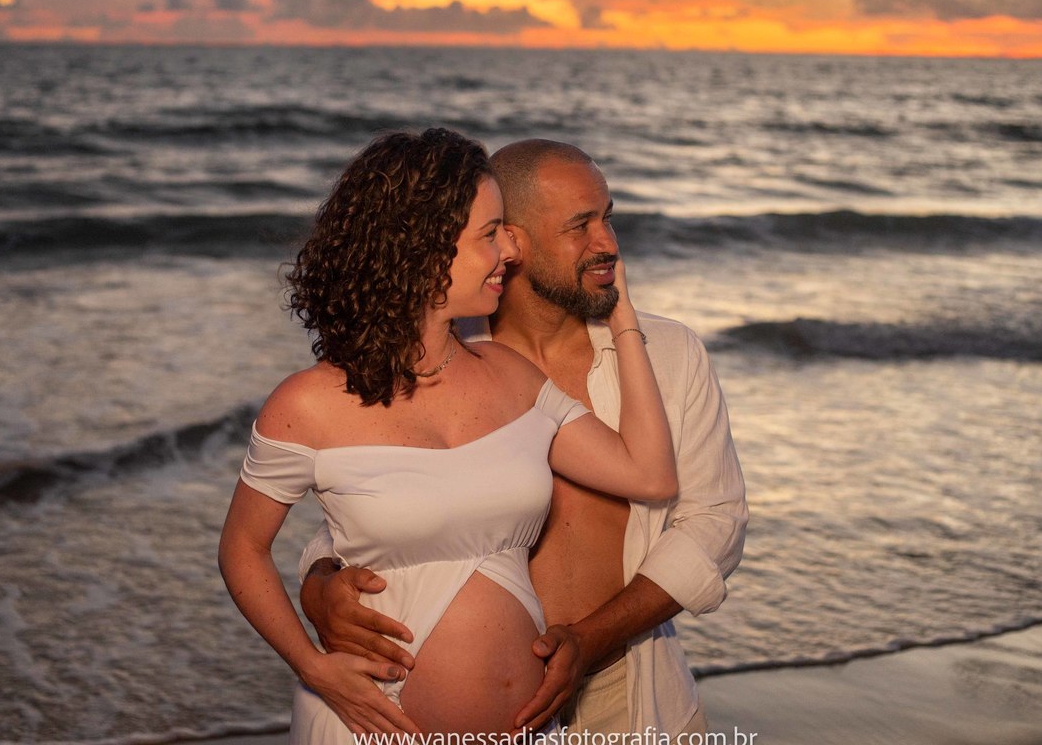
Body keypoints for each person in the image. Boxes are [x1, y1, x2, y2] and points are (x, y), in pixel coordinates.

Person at [217, 128, 679, 740]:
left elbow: (650, 475)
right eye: (489, 235)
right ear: (426, 251)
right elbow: (241, 549)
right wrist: (311, 664)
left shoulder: (512, 378)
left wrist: (622, 318)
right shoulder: (308, 404)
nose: (508, 254)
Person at [300, 139, 748, 736]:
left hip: (631, 684)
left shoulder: (667, 354)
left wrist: (591, 640)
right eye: (580, 226)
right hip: (482, 701)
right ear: (510, 239)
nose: (609, 243)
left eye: (608, 217)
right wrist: (319, 584)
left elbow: (714, 520)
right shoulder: (438, 360)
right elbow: (362, 505)